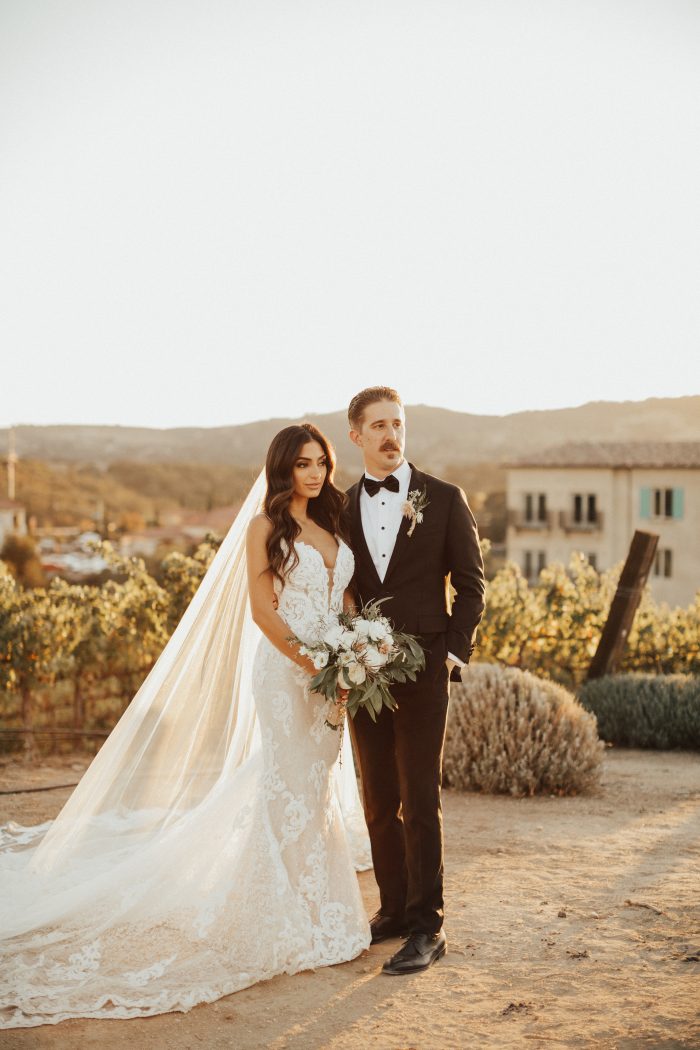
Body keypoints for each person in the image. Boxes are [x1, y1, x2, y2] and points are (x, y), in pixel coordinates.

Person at [0, 422, 370, 1029]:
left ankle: (320, 907)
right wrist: (315, 663)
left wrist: (354, 657)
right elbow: (261, 609)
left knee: (317, 784)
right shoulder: (263, 528)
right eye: (303, 464)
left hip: (335, 678)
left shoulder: (333, 525)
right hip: (285, 674)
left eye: (321, 462)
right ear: (282, 468)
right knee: (284, 782)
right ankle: (274, 913)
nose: (315, 473)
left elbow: (346, 598)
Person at [346, 386, 486, 976]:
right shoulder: (342, 505)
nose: (390, 435)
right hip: (362, 671)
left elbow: (473, 584)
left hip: (427, 667)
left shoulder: (445, 498)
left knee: (420, 797)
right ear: (355, 436)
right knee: (378, 800)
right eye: (377, 425)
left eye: (397, 424)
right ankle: (397, 909)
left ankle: (430, 926)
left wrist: (452, 652)